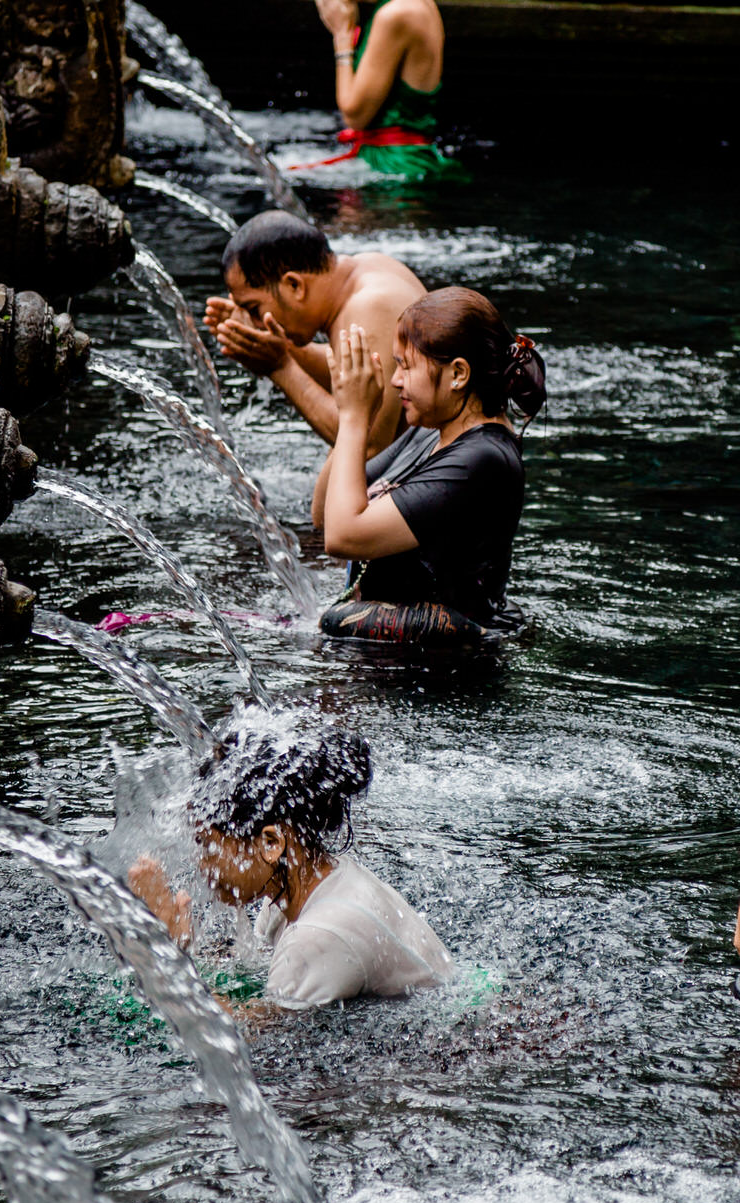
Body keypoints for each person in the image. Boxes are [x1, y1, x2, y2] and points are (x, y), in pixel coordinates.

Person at [127, 725, 454, 1008]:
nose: (200, 863)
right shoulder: (301, 889)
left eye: (207, 845)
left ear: (271, 843)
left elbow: (244, 1041)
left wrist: (166, 956)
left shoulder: (318, 935)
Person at [318, 286, 546, 646]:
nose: (395, 380)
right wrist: (358, 419)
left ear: (458, 374)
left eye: (405, 366)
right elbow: (325, 515)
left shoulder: (483, 460)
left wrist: (353, 419)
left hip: (439, 677)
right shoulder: (430, 433)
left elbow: (342, 537)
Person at [203, 210, 424, 474]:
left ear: (294, 285)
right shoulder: (366, 267)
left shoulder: (368, 307)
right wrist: (272, 346)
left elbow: (369, 446)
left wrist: (280, 367)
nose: (258, 321)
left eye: (254, 309)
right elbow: (357, 381)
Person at [300, 0, 467, 182]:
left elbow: (355, 115)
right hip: (398, 159)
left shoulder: (395, 15)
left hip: (394, 166)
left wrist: (341, 33)